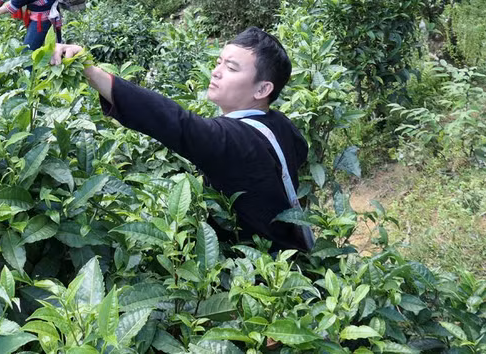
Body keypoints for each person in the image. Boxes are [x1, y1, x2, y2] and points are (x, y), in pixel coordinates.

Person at [51, 27, 313, 251]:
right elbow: (300, 151)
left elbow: (176, 123)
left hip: (252, 278)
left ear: (263, 89)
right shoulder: (278, 123)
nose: (216, 72)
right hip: (287, 258)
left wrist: (91, 72)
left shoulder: (234, 140)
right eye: (219, 62)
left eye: (231, 68)